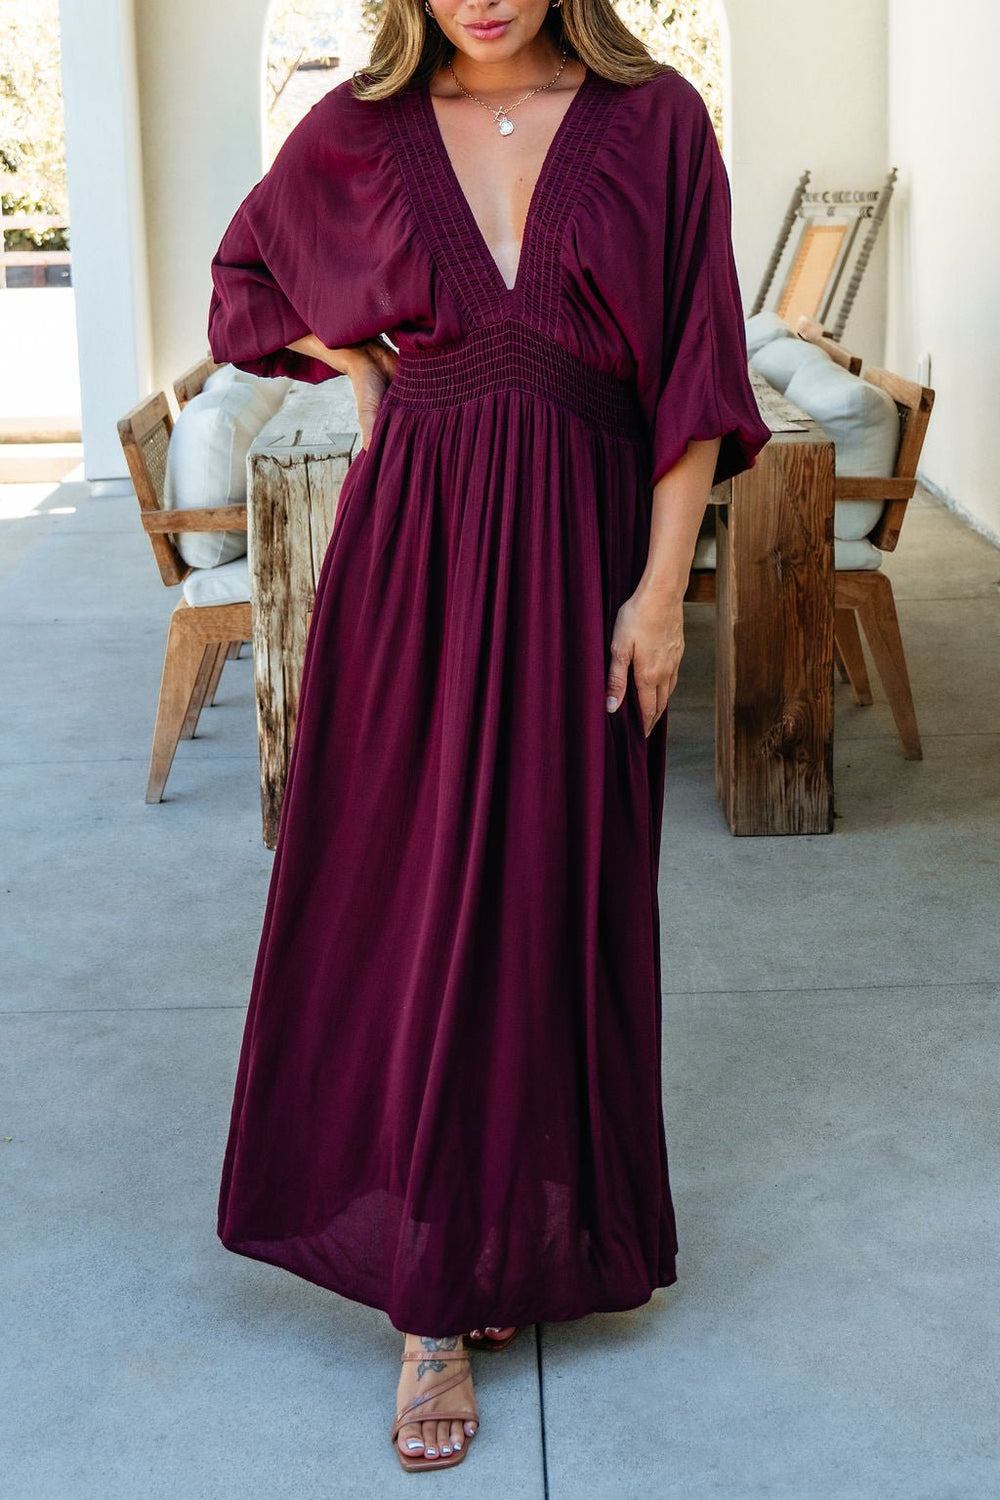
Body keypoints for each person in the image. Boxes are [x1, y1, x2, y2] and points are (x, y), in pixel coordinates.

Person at [207, 0, 772, 1474]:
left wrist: (661, 593)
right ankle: (431, 1306)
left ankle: (508, 1227)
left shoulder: (658, 126)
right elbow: (244, 280)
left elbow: (697, 370)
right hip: (417, 558)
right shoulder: (360, 129)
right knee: (412, 907)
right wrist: (358, 360)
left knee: (549, 906)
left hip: (587, 558)